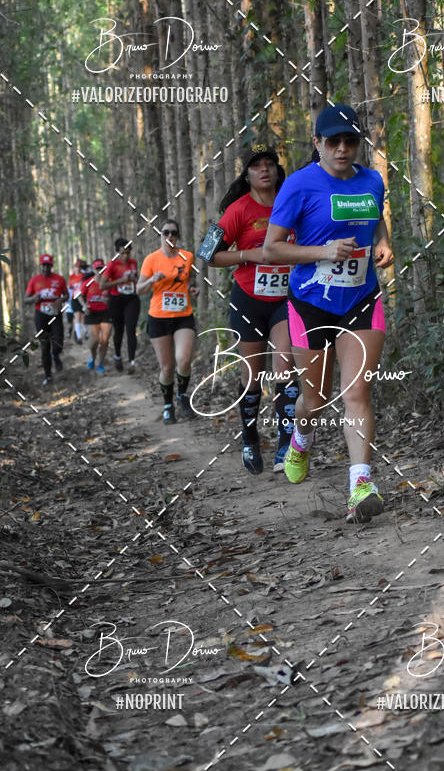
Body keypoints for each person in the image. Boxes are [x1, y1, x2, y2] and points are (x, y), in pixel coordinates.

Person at [264, 103, 394, 523]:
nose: (342, 149)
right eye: (333, 141)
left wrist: (383, 241)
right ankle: (301, 439)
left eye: (350, 141)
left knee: (356, 394)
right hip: (310, 304)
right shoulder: (299, 185)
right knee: (315, 400)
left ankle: (361, 486)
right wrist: (322, 251)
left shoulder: (372, 180)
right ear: (317, 143)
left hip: (361, 299)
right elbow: (271, 248)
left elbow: (375, 219)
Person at [210, 145, 298, 474]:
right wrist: (247, 255)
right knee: (252, 377)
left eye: (269, 164)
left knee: (286, 366)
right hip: (248, 299)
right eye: (256, 165)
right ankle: (249, 439)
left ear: (277, 169)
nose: (264, 170)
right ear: (246, 175)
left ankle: (286, 446)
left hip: (285, 298)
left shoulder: (291, 200)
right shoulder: (238, 210)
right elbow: (208, 253)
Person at [137, 219, 198, 424]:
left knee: (184, 360)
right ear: (161, 235)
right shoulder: (151, 259)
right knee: (167, 367)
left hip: (183, 316)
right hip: (158, 318)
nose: (170, 236)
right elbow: (139, 289)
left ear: (178, 236)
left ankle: (182, 395)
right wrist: (151, 280)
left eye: (173, 232)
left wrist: (192, 289)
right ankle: (167, 405)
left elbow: (186, 280)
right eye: (166, 232)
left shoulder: (187, 256)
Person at [24, 253, 68, 387]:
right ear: (40, 266)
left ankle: (56, 355)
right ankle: (48, 376)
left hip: (55, 315)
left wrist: (60, 299)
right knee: (44, 346)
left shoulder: (59, 279)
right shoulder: (34, 280)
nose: (46, 268)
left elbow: (67, 295)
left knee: (58, 341)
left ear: (51, 266)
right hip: (41, 316)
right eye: (44, 265)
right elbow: (25, 299)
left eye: (48, 265)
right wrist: (33, 298)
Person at [101, 238, 140, 373]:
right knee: (119, 331)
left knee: (131, 329)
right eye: (122, 253)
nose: (125, 256)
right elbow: (102, 285)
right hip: (116, 300)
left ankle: (132, 362)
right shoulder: (111, 265)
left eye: (128, 253)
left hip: (132, 299)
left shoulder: (133, 263)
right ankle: (117, 356)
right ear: (117, 252)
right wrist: (120, 280)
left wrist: (136, 281)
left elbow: (136, 278)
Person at [80, 259, 112, 374]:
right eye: (97, 269)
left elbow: (115, 295)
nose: (99, 271)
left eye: (101, 268)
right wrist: (84, 306)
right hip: (92, 313)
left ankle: (100, 363)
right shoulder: (88, 282)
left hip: (106, 313)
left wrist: (109, 300)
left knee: (105, 340)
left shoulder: (108, 282)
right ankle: (92, 357)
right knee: (94, 340)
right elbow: (79, 295)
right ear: (93, 270)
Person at [68, 258, 86, 343]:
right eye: (76, 267)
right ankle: (79, 337)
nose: (77, 268)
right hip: (74, 298)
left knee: (83, 317)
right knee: (77, 316)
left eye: (79, 267)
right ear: (74, 267)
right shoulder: (71, 277)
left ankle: (85, 332)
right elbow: (70, 286)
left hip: (83, 298)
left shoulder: (83, 276)